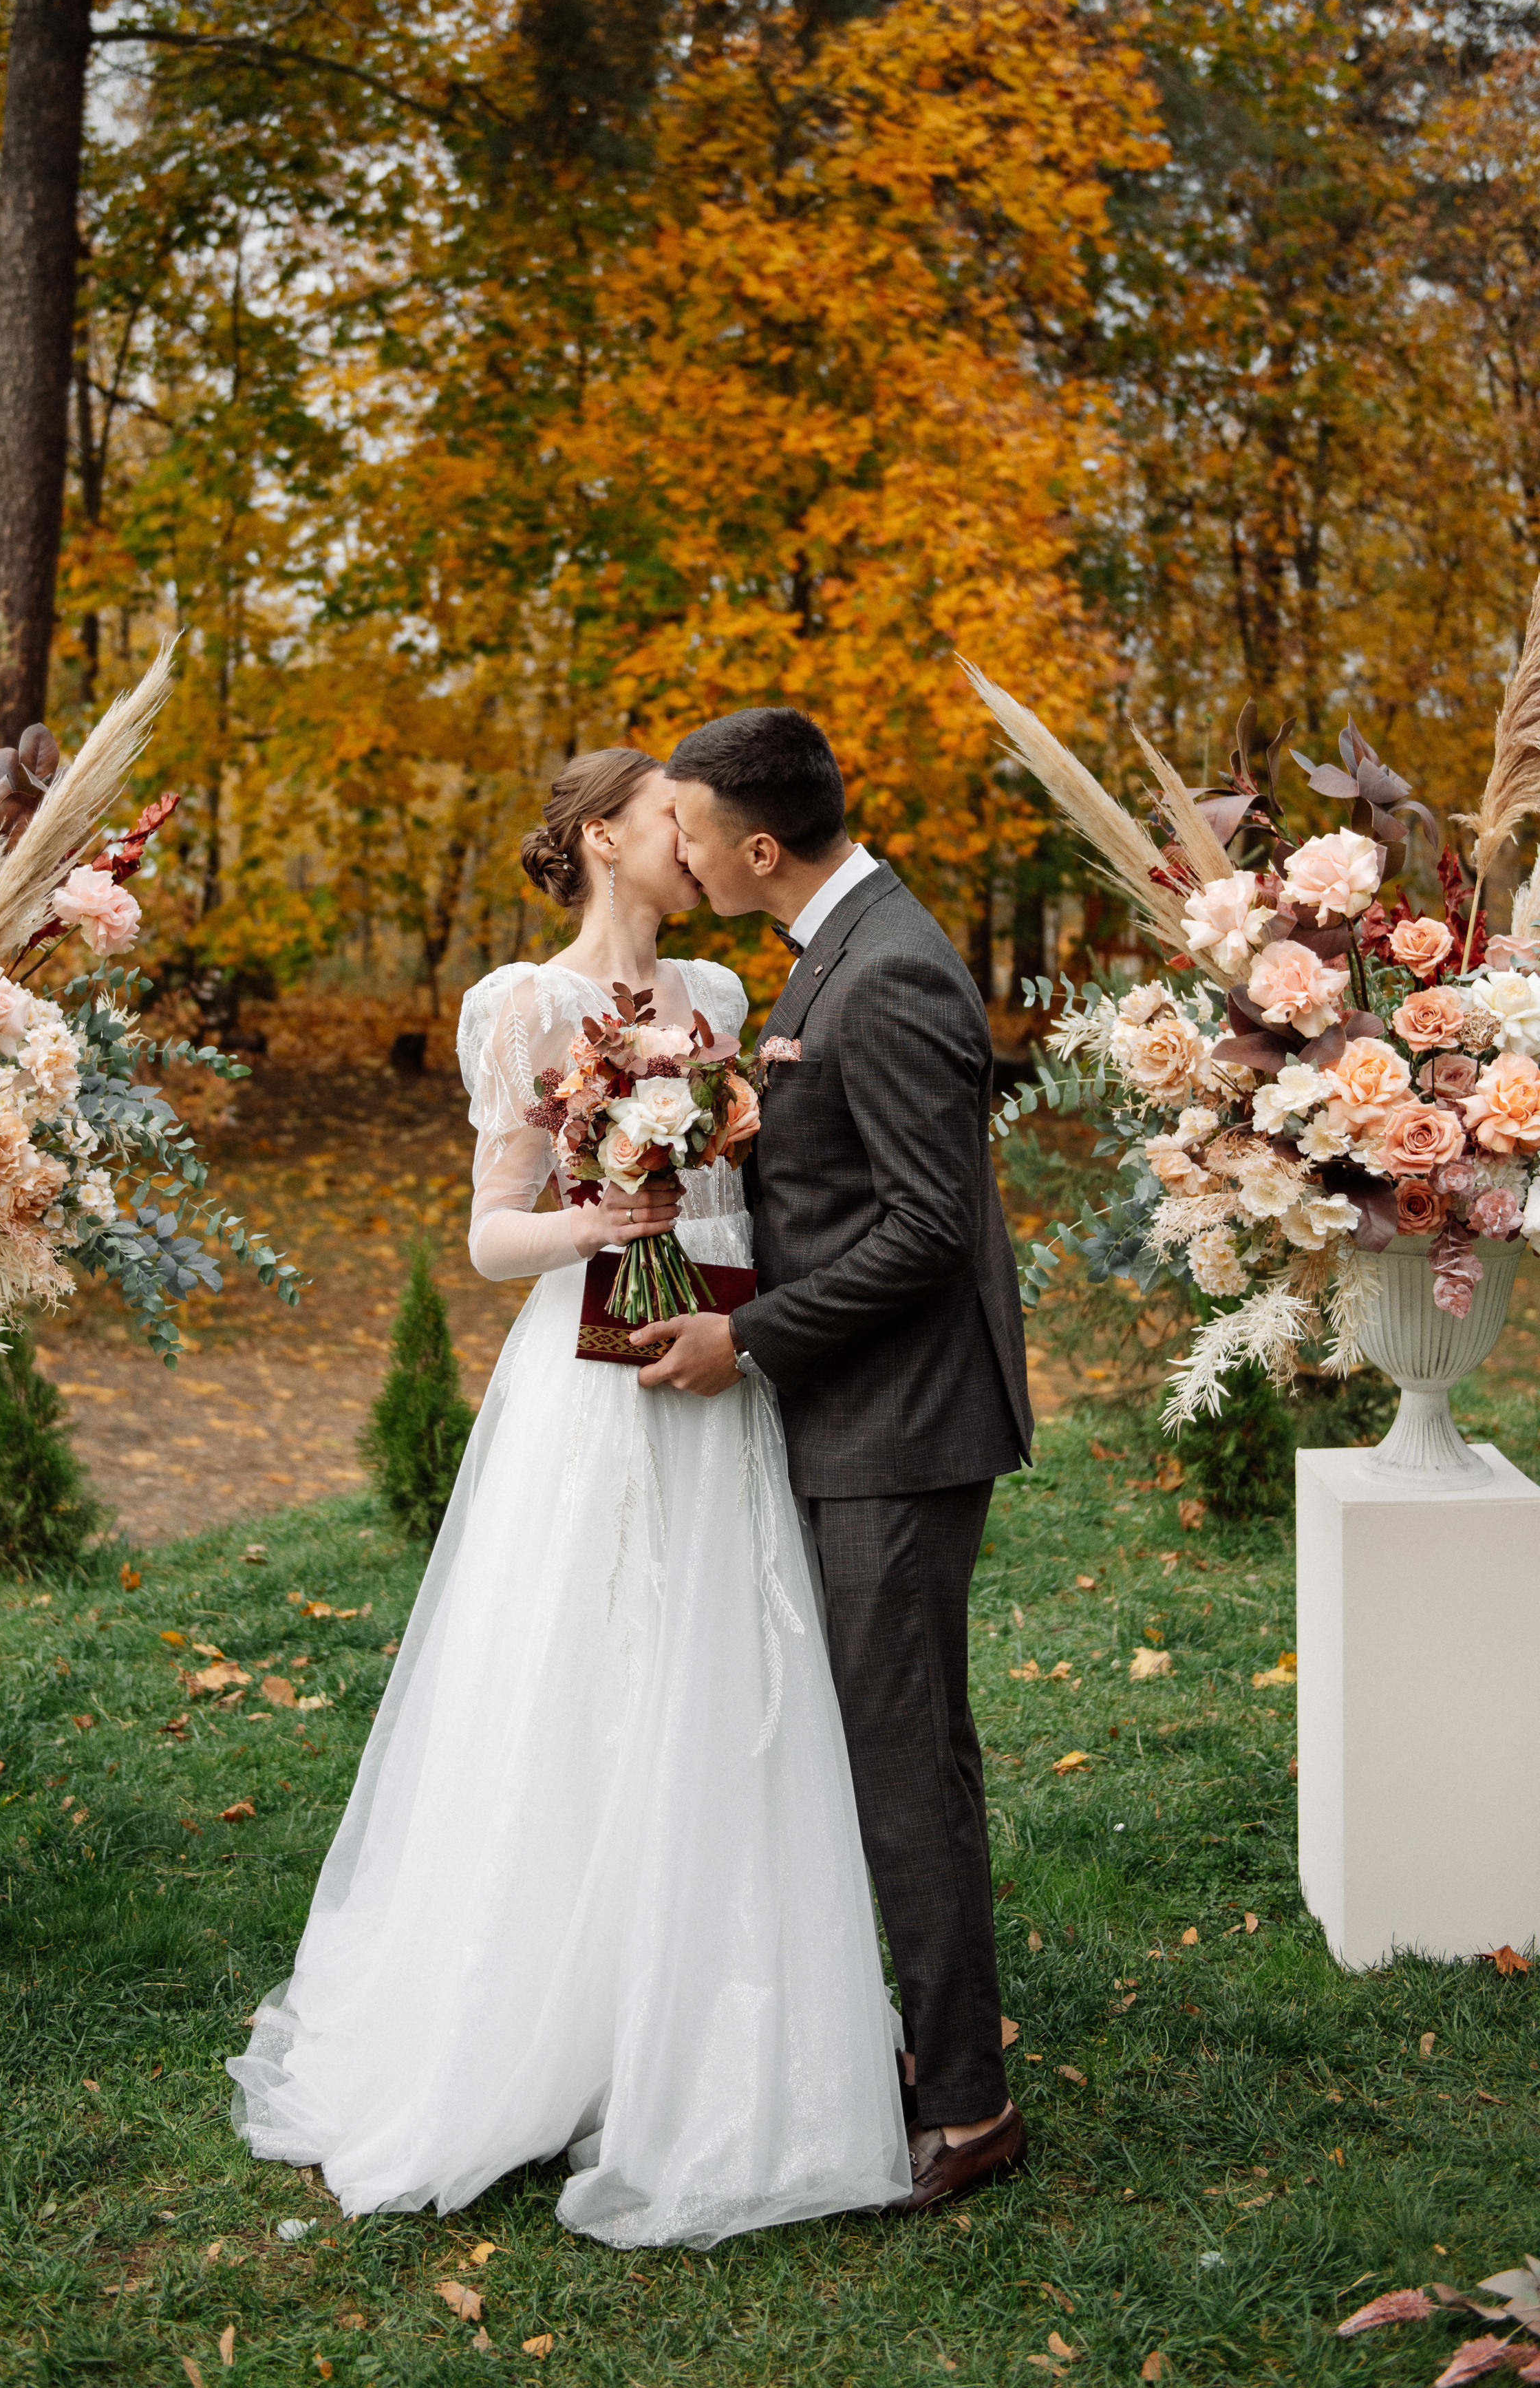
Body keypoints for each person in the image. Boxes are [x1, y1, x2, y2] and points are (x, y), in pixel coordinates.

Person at [226, 746, 910, 2247]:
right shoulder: (521, 1002)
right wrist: (603, 1215)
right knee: (577, 1670)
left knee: (721, 1671)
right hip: (588, 1376)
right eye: (671, 817)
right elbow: (489, 1235)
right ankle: (537, 2017)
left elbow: (752, 1184)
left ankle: (706, 2019)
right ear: (605, 836)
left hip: (719, 1356)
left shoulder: (721, 993)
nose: (695, 839)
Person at [632, 705, 1035, 2213]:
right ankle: (931, 2047)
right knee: (890, 1744)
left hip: (900, 1425)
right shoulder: (832, 946)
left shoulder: (894, 968)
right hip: (859, 1409)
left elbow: (927, 1231)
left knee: (905, 1755)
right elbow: (847, 1175)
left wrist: (748, 1338)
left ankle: (969, 2103)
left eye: (686, 828)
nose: (674, 851)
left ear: (755, 847)